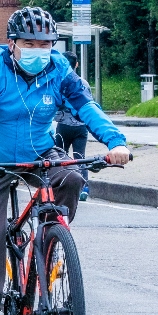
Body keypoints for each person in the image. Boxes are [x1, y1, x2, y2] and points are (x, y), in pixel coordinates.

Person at [0, 7, 130, 315]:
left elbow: (85, 105)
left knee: (70, 177)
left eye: (46, 44)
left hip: (40, 150)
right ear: (12, 44)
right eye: (30, 43)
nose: (40, 50)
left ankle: (51, 240)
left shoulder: (58, 68)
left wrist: (115, 142)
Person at [55, 51, 93, 202]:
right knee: (80, 157)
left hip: (63, 126)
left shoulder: (58, 83)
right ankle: (84, 188)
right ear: (76, 64)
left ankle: (59, 185)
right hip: (81, 127)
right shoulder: (83, 83)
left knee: (59, 157)